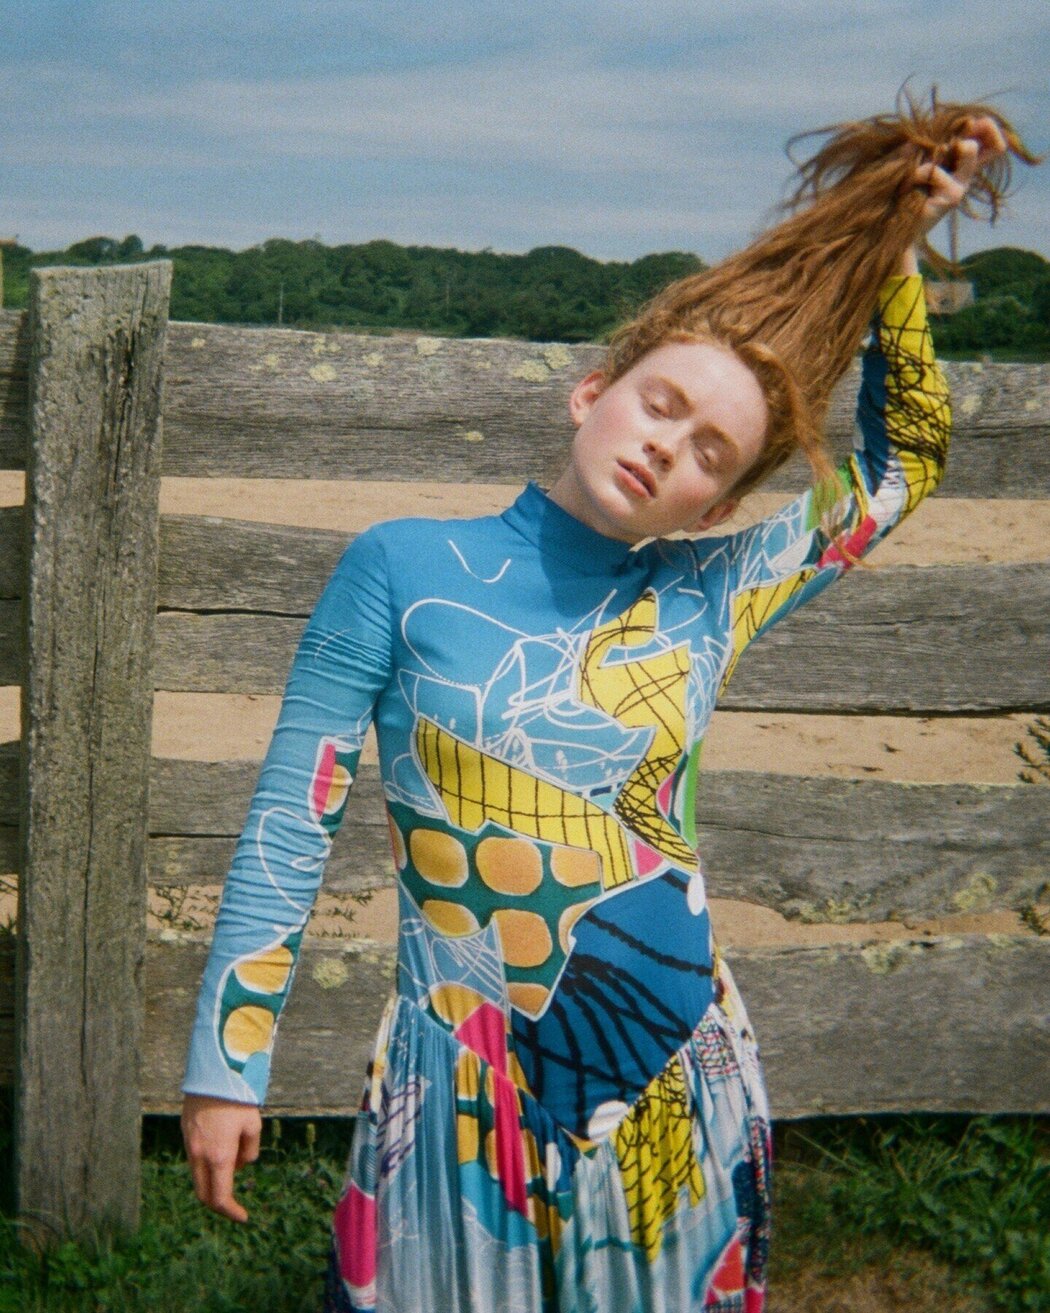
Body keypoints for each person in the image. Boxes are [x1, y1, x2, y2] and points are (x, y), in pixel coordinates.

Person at [180, 94, 1031, 1312]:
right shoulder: (397, 565)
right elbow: (286, 820)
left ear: (714, 508)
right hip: (456, 1075)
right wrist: (227, 1065)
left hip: (676, 1074)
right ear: (595, 392)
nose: (667, 446)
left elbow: (905, 461)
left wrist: (894, 251)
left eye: (710, 455)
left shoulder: (713, 592)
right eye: (659, 405)